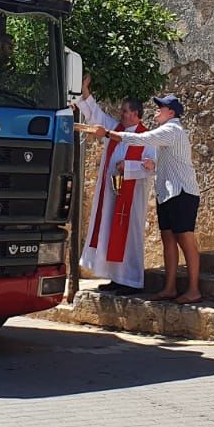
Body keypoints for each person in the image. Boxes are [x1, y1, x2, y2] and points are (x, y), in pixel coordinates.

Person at [77, 94, 202, 303]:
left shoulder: (171, 129)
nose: (156, 110)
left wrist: (109, 134)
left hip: (181, 193)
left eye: (160, 107)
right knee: (168, 240)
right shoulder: (162, 131)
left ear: (171, 112)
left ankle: (193, 290)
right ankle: (170, 288)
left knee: (185, 241)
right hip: (167, 194)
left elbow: (143, 140)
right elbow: (153, 162)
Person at [73, 77, 155, 292]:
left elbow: (150, 167)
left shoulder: (146, 137)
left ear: (136, 114)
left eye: (126, 111)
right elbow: (96, 117)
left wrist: (126, 166)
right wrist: (85, 92)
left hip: (132, 197)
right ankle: (116, 278)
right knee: (111, 232)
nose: (121, 113)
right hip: (112, 193)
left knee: (129, 236)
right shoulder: (116, 128)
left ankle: (132, 280)